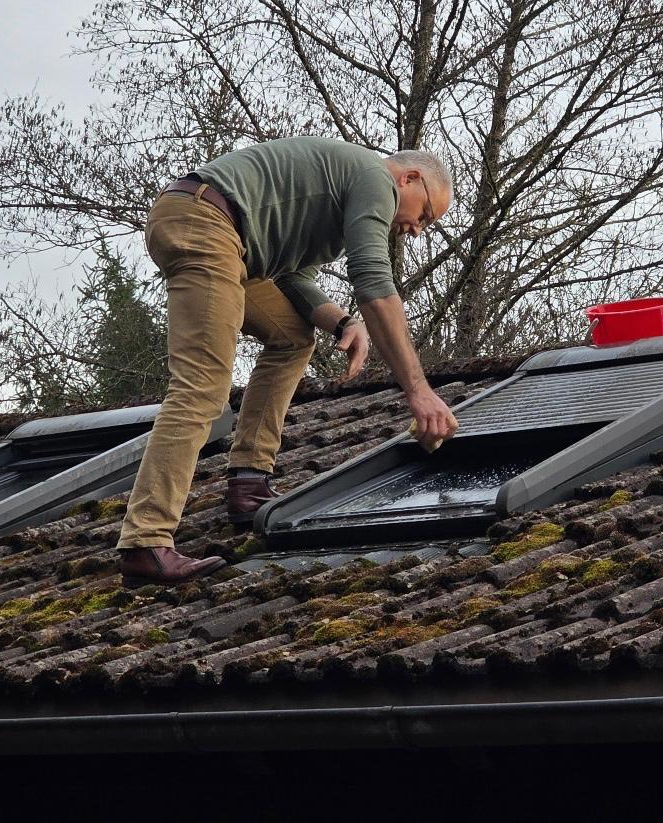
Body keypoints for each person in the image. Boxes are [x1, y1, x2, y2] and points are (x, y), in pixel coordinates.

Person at [116, 137, 459, 587]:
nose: (417, 230)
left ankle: (248, 483)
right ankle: (146, 542)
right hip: (206, 221)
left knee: (292, 339)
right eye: (426, 214)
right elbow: (374, 278)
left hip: (231, 241)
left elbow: (292, 277)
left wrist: (341, 323)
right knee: (201, 388)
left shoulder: (340, 199)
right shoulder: (376, 179)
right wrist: (419, 391)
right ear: (409, 178)